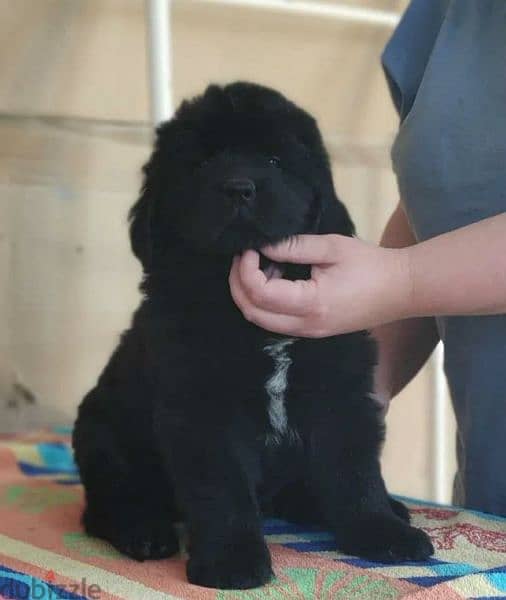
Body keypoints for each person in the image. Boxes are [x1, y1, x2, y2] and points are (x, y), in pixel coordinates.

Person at [229, 0, 506, 516]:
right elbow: (447, 204)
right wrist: (347, 397)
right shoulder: (448, 14)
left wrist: (400, 281)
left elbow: (412, 273)